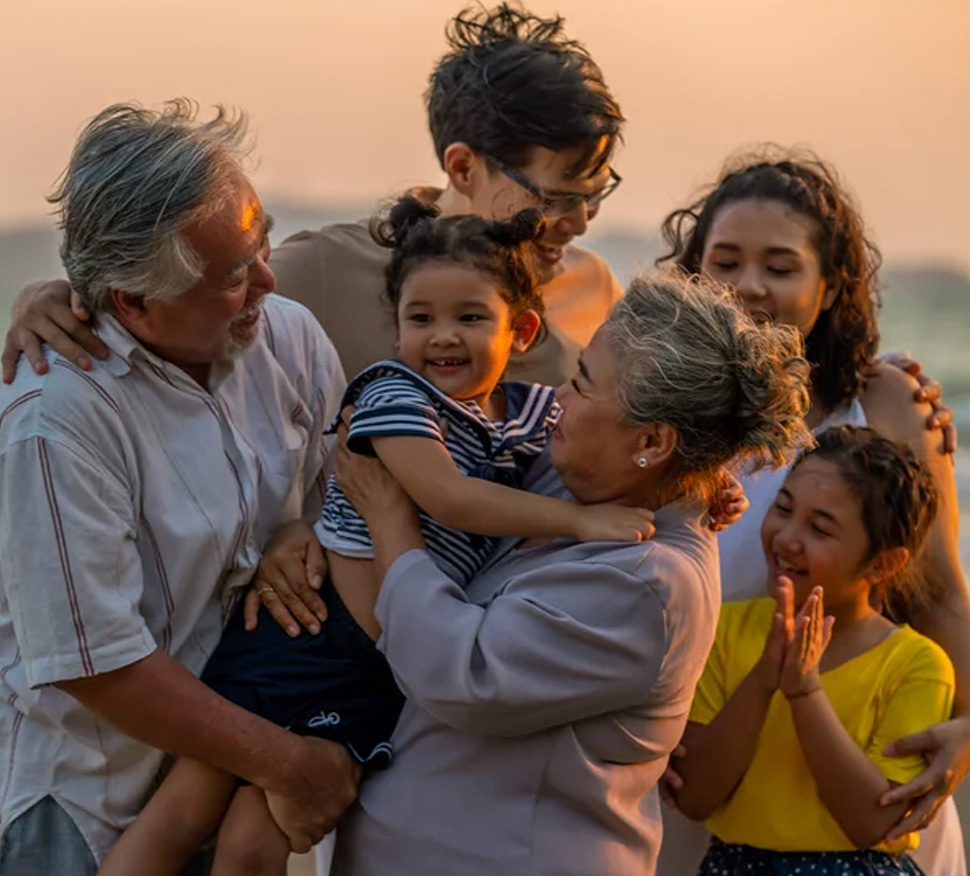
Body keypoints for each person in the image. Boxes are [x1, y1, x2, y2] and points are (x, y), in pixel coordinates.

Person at [97, 197, 655, 876]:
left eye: (470, 317)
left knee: (255, 841)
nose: (442, 336)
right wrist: (579, 522)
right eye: (421, 318)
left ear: (524, 331)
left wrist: (705, 488)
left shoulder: (531, 416)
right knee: (186, 808)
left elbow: (603, 441)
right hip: (310, 635)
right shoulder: (396, 396)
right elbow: (447, 496)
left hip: (379, 677)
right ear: (395, 330)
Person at [306, 270, 812, 876]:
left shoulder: (648, 583)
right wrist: (300, 534)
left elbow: (462, 674)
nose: (559, 398)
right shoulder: (579, 480)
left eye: (582, 383)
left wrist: (389, 519)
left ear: (652, 441)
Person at [0, 101, 358, 875]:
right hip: (91, 810)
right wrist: (288, 765)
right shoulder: (56, 417)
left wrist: (301, 532)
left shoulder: (288, 336)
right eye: (235, 275)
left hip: (236, 796)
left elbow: (349, 503)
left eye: (262, 244)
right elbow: (96, 659)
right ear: (134, 301)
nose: (268, 280)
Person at [1, 3, 626, 390]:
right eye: (553, 199)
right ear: (462, 166)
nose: (577, 222)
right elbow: (174, 306)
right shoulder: (327, 269)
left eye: (593, 196)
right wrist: (58, 299)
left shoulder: (594, 290)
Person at [655, 150, 969, 876]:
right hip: (704, 777)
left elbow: (940, 593)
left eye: (780, 266)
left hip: (860, 788)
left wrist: (968, 729)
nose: (749, 286)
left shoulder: (883, 402)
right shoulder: (656, 409)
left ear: (828, 288)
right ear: (694, 273)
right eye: (725, 262)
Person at [675, 425, 953, 875]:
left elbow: (873, 821)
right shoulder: (724, 629)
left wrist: (805, 691)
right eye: (783, 508)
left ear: (883, 563)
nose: (786, 537)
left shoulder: (916, 664)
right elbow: (693, 797)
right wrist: (763, 679)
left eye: (820, 529)